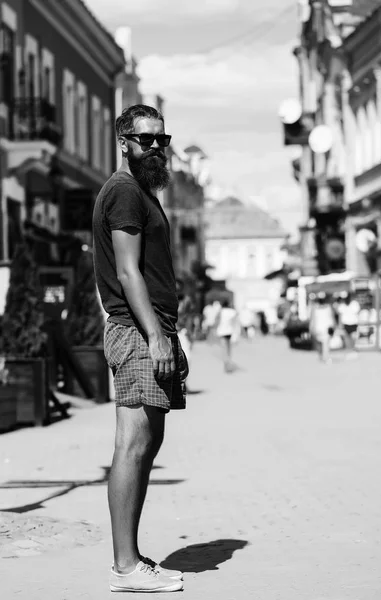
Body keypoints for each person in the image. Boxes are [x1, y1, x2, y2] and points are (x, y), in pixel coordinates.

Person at [93, 104, 187, 593]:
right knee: (132, 445)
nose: (154, 147)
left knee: (148, 443)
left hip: (153, 327)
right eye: (144, 139)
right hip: (136, 331)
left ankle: (131, 558)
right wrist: (154, 334)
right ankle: (125, 568)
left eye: (161, 139)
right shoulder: (126, 192)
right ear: (124, 141)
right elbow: (128, 272)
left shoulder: (141, 193)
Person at [309, 295, 336, 363]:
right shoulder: (328, 307)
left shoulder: (315, 308)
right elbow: (332, 318)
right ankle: (324, 357)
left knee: (323, 343)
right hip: (324, 328)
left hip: (321, 328)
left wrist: (311, 327)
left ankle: (324, 357)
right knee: (325, 343)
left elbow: (312, 319)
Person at [215, 299, 239, 372]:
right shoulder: (232, 312)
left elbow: (217, 321)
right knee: (229, 349)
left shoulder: (221, 311)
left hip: (222, 332)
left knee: (224, 349)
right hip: (230, 332)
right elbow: (236, 322)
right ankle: (229, 363)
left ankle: (226, 365)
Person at [337, 294, 360, 358]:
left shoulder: (354, 304)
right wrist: (340, 325)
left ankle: (352, 351)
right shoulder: (342, 305)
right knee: (347, 339)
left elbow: (357, 313)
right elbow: (340, 316)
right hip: (345, 324)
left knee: (353, 338)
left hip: (353, 324)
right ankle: (349, 351)